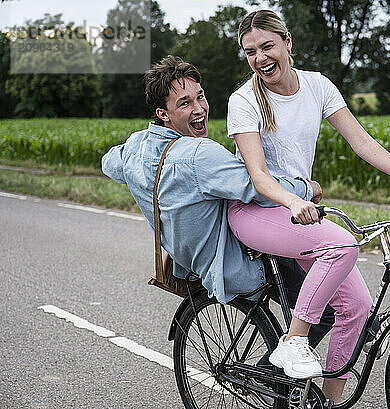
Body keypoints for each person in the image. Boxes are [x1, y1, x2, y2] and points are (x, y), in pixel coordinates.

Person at [226, 10, 390, 403]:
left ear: (288, 42)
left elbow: (362, 142)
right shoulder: (244, 100)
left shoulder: (317, 86)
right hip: (255, 211)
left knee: (357, 309)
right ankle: (293, 341)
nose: (260, 58)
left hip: (296, 209)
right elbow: (258, 177)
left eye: (267, 46)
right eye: (250, 52)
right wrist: (295, 199)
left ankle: (330, 401)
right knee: (343, 244)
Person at [101, 56, 335, 348]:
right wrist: (305, 187)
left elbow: (108, 162)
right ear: (164, 114)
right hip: (234, 262)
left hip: (188, 261)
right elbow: (259, 187)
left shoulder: (136, 147)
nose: (199, 109)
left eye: (200, 96)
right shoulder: (199, 155)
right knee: (326, 311)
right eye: (184, 103)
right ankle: (274, 377)